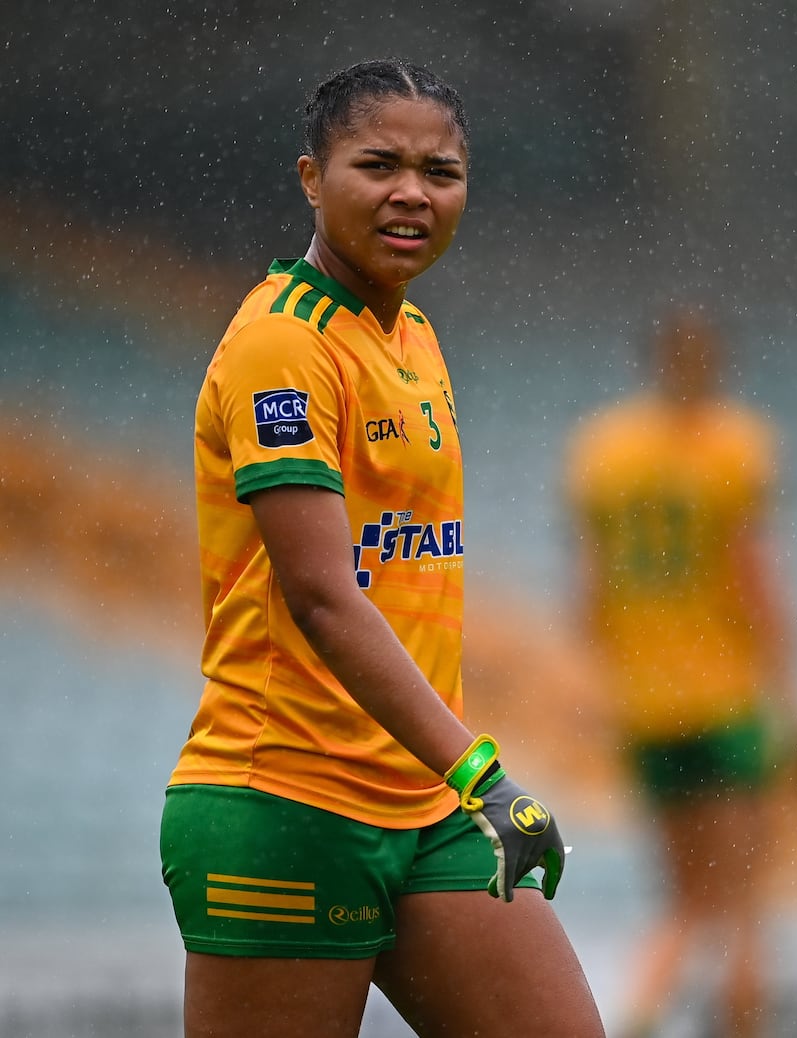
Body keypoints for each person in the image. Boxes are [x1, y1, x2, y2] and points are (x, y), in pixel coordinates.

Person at [160, 58, 605, 1038]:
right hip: (288, 800)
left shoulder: (413, 339)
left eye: (439, 171)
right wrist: (481, 776)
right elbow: (321, 596)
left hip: (422, 804)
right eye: (378, 164)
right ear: (312, 179)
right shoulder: (283, 344)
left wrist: (451, 781)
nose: (412, 191)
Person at [565, 309, 793, 1038]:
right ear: (715, 368)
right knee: (741, 901)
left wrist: (603, 688)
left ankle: (636, 1011)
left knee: (685, 899)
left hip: (646, 705)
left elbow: (591, 596)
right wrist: (782, 686)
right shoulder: (736, 448)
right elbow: (748, 579)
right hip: (724, 700)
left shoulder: (605, 450)